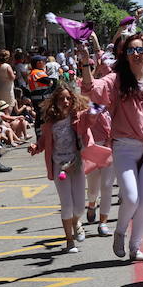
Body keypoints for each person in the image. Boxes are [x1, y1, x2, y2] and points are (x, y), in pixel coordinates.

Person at [79, 34, 143, 261]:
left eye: (140, 50)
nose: (136, 54)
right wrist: (86, 63)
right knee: (131, 197)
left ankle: (135, 246)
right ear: (125, 56)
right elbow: (90, 89)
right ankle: (119, 231)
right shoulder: (116, 80)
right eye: (131, 51)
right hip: (124, 147)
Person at [28, 83, 90, 254]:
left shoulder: (77, 117)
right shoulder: (49, 123)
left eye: (68, 98)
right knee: (67, 204)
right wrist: (35, 147)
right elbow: (43, 142)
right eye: (61, 98)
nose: (65, 101)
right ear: (55, 101)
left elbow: (93, 114)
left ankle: (77, 222)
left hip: (76, 163)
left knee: (79, 207)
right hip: (59, 166)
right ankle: (69, 241)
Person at [83, 103, 115, 237]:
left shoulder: (113, 103)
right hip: (92, 148)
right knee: (93, 188)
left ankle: (103, 223)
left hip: (109, 148)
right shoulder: (86, 105)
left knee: (107, 186)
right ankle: (91, 205)